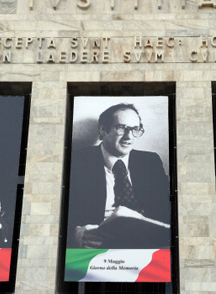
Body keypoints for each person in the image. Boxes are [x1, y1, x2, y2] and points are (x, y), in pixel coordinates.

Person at [67, 103, 171, 249]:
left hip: (144, 245)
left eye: (135, 129)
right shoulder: (77, 161)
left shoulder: (150, 162)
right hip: (97, 247)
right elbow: (57, 212)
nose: (129, 137)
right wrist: (74, 233)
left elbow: (167, 209)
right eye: (121, 128)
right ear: (103, 130)